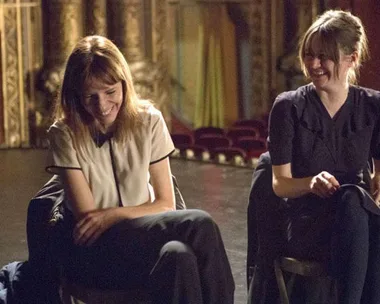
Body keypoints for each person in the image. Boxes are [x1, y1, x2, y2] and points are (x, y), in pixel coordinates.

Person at [45, 35, 234, 304]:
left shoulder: (149, 121)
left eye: (110, 92)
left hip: (146, 242)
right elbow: (91, 220)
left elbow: (166, 203)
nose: (102, 105)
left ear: (124, 83)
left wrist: (113, 214)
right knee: (200, 224)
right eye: (91, 96)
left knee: (179, 255)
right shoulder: (64, 133)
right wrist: (120, 217)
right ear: (76, 95)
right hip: (96, 253)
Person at [268, 9, 380, 303]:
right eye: (309, 55)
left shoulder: (373, 106)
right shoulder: (288, 107)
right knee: (357, 206)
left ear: (351, 59)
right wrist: (310, 183)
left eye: (324, 56)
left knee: (356, 203)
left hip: (359, 220)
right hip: (308, 222)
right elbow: (280, 184)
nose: (313, 64)